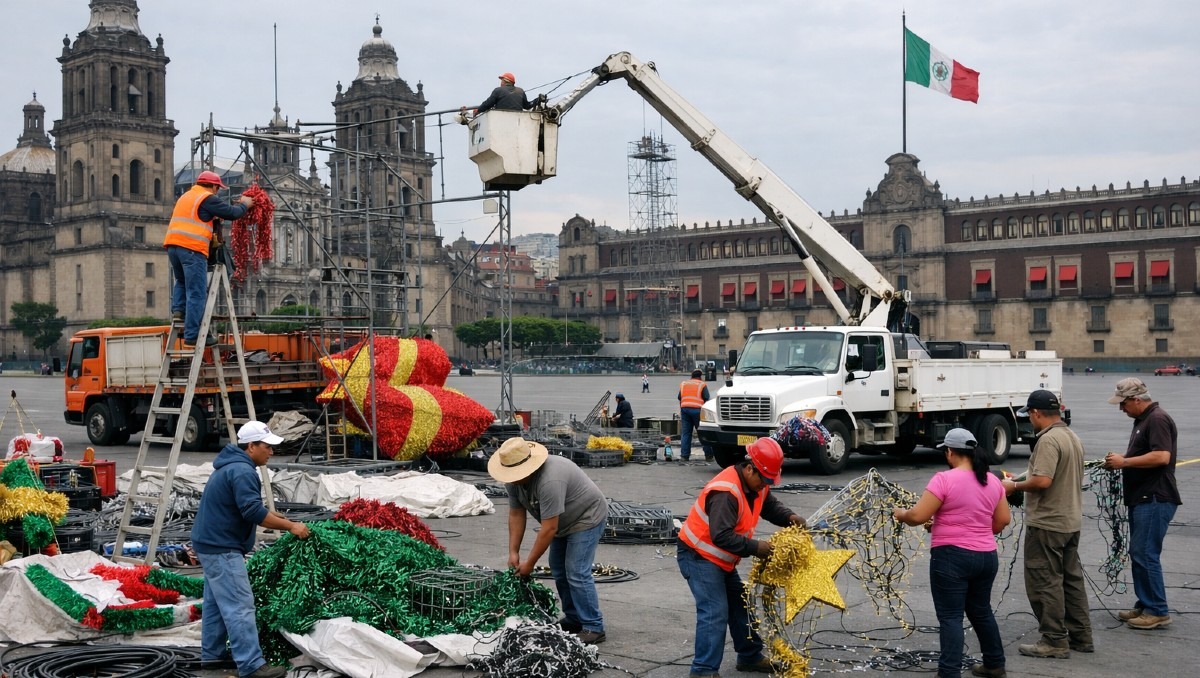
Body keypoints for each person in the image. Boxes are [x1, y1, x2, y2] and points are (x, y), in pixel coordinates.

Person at [191, 421, 310, 678]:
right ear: (251, 446)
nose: (271, 452)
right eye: (267, 447)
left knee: (215, 604)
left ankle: (212, 658)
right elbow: (252, 512)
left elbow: (245, 506)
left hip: (208, 542)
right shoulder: (244, 472)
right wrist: (291, 526)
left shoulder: (231, 466)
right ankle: (252, 665)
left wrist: (272, 514)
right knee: (239, 605)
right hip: (221, 546)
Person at [678, 438, 804, 677]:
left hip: (721, 559)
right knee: (714, 611)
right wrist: (757, 547)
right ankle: (703, 671)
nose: (765, 485)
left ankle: (749, 656)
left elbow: (768, 505)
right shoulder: (727, 492)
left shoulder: (756, 484)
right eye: (763, 479)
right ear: (749, 468)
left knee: (741, 605)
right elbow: (722, 536)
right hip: (698, 555)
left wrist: (790, 517)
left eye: (769, 481)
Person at [894, 428, 1010, 678]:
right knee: (981, 610)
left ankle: (949, 672)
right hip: (986, 556)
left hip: (951, 558)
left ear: (950, 452)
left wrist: (900, 513)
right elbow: (1002, 521)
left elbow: (917, 516)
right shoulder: (992, 480)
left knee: (950, 617)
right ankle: (994, 663)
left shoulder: (944, 479)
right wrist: (974, 529)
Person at [489, 437, 609, 644]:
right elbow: (517, 515)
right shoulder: (514, 484)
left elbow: (549, 528)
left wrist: (530, 564)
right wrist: (514, 552)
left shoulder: (549, 480)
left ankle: (593, 626)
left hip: (586, 517)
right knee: (559, 570)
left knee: (576, 571)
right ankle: (573, 618)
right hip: (562, 522)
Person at [1001, 390, 1093, 658]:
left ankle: (1053, 639)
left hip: (1048, 523)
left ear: (1036, 413)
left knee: (1045, 581)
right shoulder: (1071, 436)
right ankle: (1081, 635)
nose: (1030, 420)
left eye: (1029, 415)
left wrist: (1013, 485)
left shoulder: (1048, 440)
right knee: (1071, 580)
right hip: (1069, 521)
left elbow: (1042, 481)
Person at [1102, 378, 1180, 630]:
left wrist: (1124, 463)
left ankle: (1157, 609)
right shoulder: (1143, 419)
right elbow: (1144, 455)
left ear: (1137, 399)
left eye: (1123, 403)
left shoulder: (1156, 419)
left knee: (1146, 554)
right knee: (1139, 554)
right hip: (1143, 498)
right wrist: (1121, 459)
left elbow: (1161, 456)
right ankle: (1145, 604)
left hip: (1155, 498)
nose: (1121, 408)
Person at [164, 170, 253, 348]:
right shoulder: (206, 198)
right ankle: (193, 335)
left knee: (181, 281)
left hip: (173, 246)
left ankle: (178, 312)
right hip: (192, 248)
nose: (217, 192)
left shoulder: (187, 196)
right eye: (217, 188)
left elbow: (200, 215)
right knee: (197, 292)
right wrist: (244, 205)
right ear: (213, 186)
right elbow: (232, 213)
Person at [678, 369, 713, 462]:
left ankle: (684, 456)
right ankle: (708, 455)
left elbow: (679, 397)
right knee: (703, 433)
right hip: (698, 411)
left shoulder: (684, 384)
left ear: (691, 376)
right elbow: (706, 398)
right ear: (700, 376)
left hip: (685, 410)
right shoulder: (702, 384)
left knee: (686, 433)